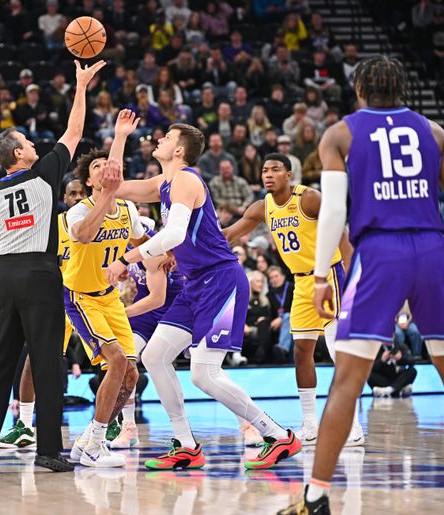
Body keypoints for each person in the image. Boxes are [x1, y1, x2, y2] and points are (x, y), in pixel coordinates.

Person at [277, 55, 444, 515]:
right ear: (402, 89)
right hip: (430, 251)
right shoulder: (434, 132)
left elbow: (336, 212)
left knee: (346, 379)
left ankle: (317, 498)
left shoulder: (340, 133)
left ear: (359, 89)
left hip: (379, 254)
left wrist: (322, 275)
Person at [106, 122, 301, 471]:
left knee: (203, 373)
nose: (159, 138)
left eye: (166, 137)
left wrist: (128, 258)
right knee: (154, 357)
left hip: (221, 280)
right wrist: (119, 138)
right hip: (195, 283)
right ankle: (185, 445)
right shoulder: (163, 183)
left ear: (179, 150)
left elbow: (176, 231)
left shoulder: (185, 179)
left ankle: (276, 434)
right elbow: (114, 186)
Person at [0, 60, 106, 475]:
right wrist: (81, 85)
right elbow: (75, 131)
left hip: (5, 274)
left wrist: (7, 247)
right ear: (18, 154)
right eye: (28, 142)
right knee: (47, 361)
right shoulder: (44, 174)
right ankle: (48, 450)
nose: (34, 146)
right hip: (42, 273)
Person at [224, 153, 364, 447]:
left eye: (275, 169)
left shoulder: (309, 198)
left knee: (338, 350)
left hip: (330, 276)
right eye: (264, 170)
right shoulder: (263, 207)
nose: (268, 174)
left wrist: (352, 280)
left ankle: (352, 424)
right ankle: (310, 424)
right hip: (300, 282)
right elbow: (229, 234)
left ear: (289, 174)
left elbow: (342, 234)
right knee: (301, 350)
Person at [65, 133, 146, 467]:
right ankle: (95, 444)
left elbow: (142, 240)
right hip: (80, 297)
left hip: (110, 299)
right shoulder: (77, 212)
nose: (106, 169)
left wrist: (165, 255)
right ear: (88, 180)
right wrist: (104, 198)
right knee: (115, 361)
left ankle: (89, 438)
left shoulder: (128, 209)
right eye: (98, 167)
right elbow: (84, 235)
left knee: (131, 376)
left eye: (109, 165)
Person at [0, 179, 86, 450]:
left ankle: (117, 421)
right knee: (34, 359)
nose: (78, 197)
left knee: (114, 358)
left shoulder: (100, 221)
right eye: (72, 193)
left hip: (93, 298)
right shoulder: (52, 226)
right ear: (65, 198)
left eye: (82, 193)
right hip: (59, 299)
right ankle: (24, 425)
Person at [111, 220, 186, 449]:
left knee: (205, 368)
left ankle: (246, 424)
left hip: (175, 306)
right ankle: (129, 427)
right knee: (124, 359)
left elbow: (158, 298)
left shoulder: (153, 250)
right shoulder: (126, 249)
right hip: (146, 310)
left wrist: (121, 313)